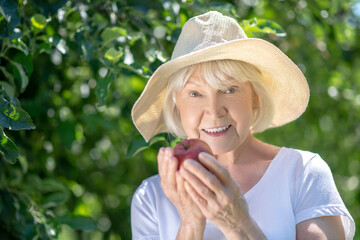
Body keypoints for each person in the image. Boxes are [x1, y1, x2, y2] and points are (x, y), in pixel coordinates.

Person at [130, 11, 355, 239]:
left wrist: (239, 225)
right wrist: (190, 223)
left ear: (254, 96)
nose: (214, 111)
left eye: (229, 89)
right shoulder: (151, 198)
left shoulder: (303, 173)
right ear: (178, 105)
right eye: (195, 93)